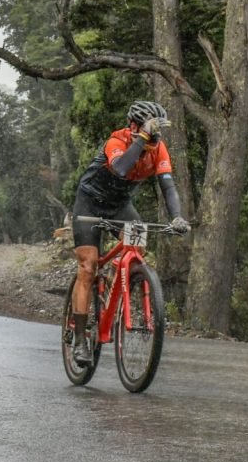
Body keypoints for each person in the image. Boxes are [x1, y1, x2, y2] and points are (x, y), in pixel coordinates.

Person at [69, 100, 191, 365]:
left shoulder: (158, 149)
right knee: (88, 266)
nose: (154, 136)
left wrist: (177, 217)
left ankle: (114, 291)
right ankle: (79, 340)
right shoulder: (117, 141)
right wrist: (142, 138)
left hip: (119, 207)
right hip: (89, 204)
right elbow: (121, 168)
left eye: (157, 131)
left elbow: (168, 186)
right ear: (134, 126)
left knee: (138, 249)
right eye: (149, 129)